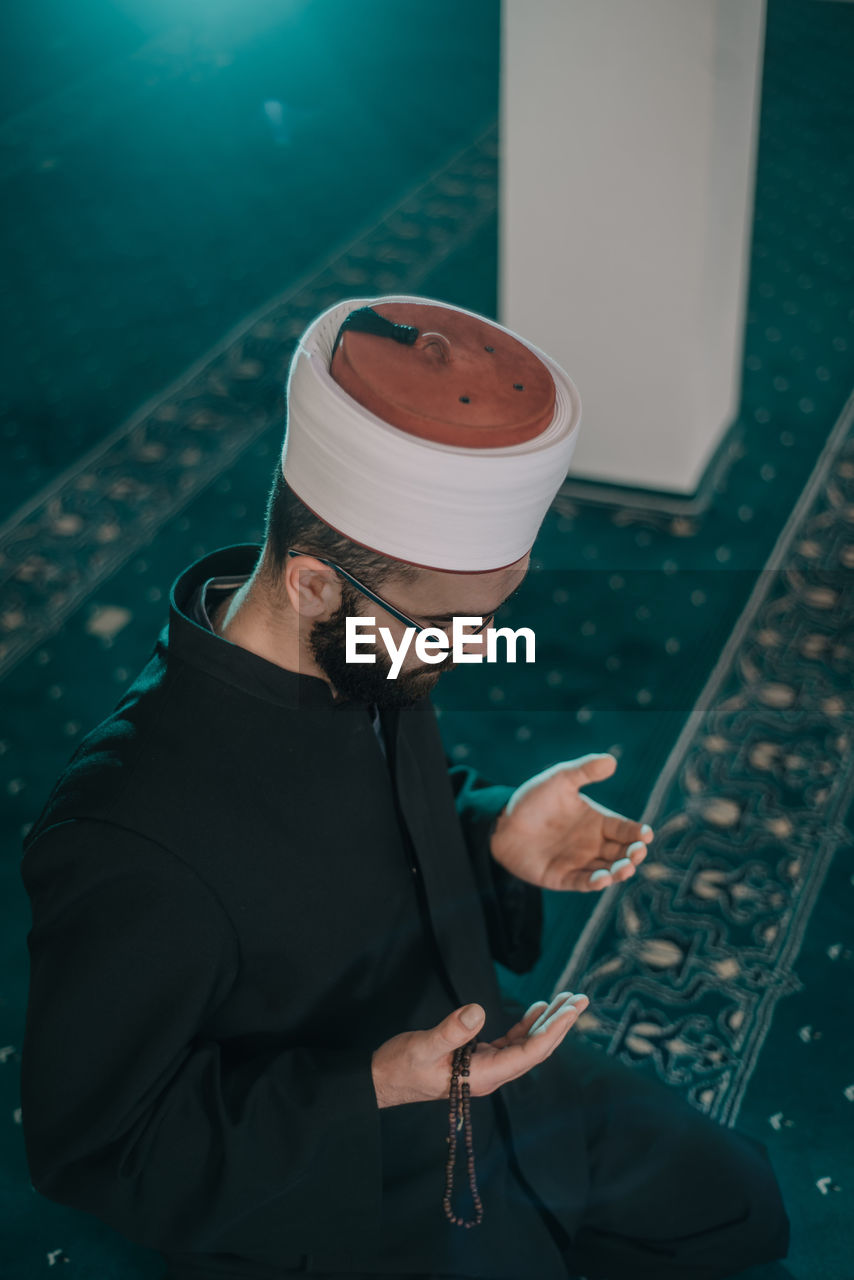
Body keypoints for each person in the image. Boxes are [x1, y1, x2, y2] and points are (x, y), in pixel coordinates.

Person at [19, 295, 790, 1280]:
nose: (463, 651)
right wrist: (375, 1083)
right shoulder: (126, 835)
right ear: (313, 583)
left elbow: (361, 849)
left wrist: (488, 830)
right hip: (338, 1159)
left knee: (741, 1207)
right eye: (447, 627)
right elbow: (96, 1145)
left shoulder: (367, 648)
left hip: (483, 1058)